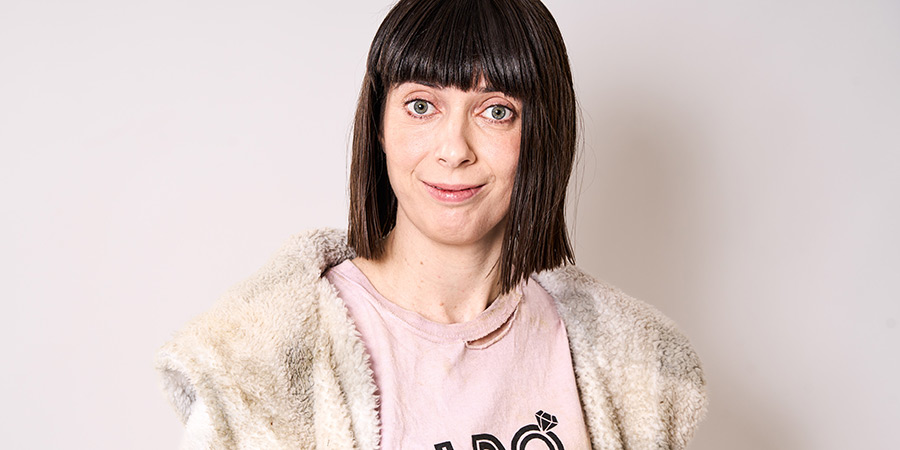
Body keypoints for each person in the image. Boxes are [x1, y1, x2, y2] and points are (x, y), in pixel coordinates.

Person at [156, 0, 707, 448]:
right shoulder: (265, 363)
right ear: (379, 125)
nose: (454, 149)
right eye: (421, 106)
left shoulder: (630, 362)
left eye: (496, 111)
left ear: (543, 134)